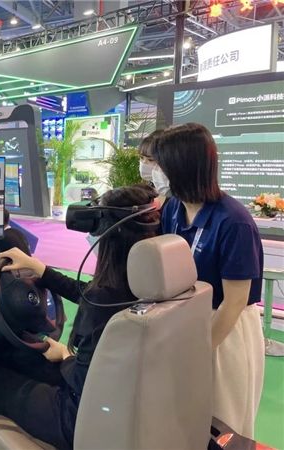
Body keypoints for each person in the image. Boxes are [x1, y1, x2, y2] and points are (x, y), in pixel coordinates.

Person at [0, 184, 160, 450]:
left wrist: (67, 357)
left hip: (79, 416)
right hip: (114, 399)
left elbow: (83, 375)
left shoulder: (103, 301)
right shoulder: (148, 288)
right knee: (22, 358)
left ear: (108, 238)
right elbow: (87, 295)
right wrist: (41, 270)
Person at [152, 122, 264, 439]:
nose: (155, 172)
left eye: (160, 164)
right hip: (181, 321)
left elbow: (235, 302)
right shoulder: (173, 208)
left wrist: (200, 349)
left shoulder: (233, 221)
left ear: (181, 166)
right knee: (180, 420)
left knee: (222, 423)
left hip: (224, 330)